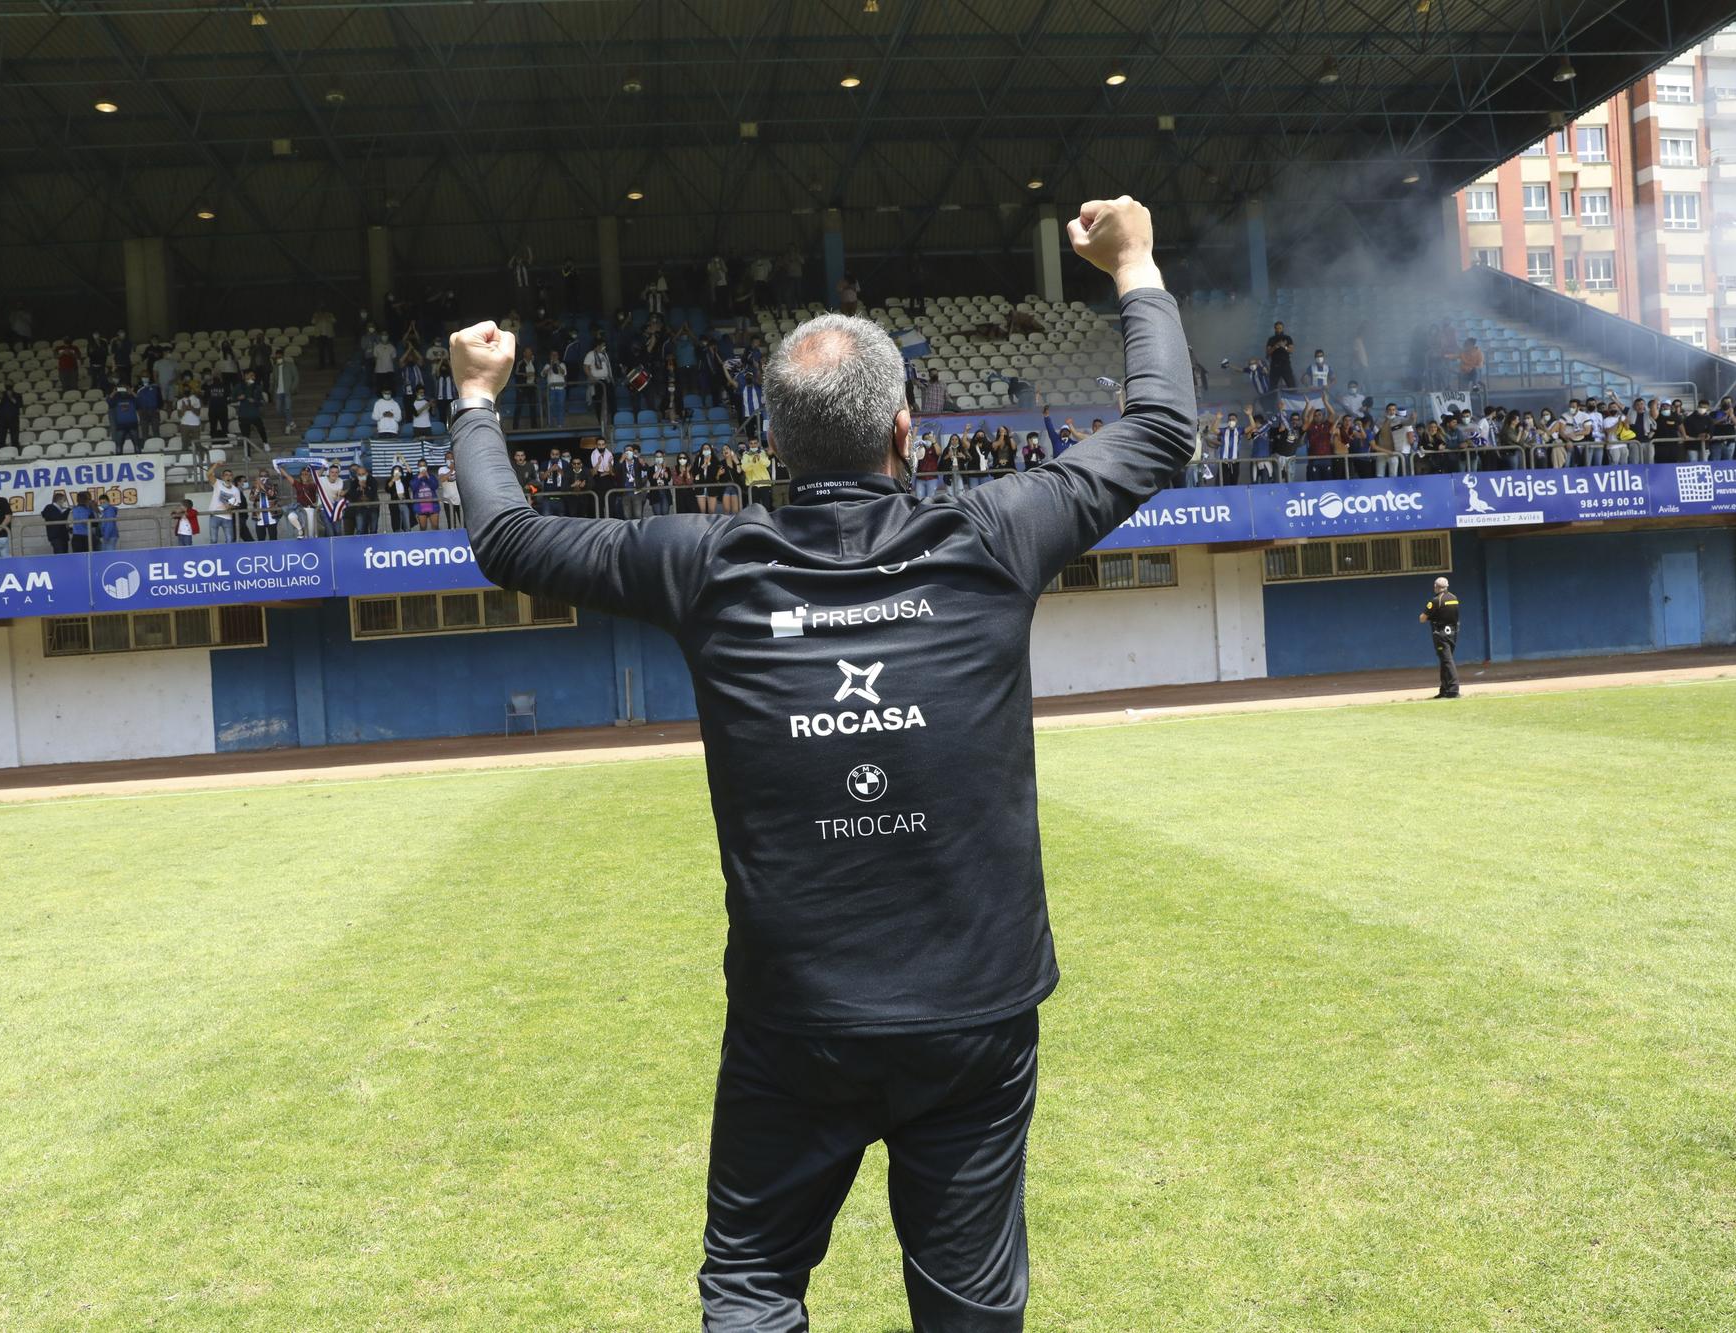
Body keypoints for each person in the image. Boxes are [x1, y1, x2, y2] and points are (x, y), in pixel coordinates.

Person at [445, 193, 1194, 1331]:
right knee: (968, 1309)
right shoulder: (989, 535)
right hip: (971, 1018)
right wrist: (1132, 267)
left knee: (751, 1290)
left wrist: (473, 399)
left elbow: (506, 539)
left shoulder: (705, 561)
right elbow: (1157, 430)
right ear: (907, 433)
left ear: (771, 451)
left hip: (796, 1019)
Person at [1420, 576, 1461, 699]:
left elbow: (1422, 618)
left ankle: (1453, 690)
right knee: (1445, 661)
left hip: (1441, 634)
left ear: (1436, 587)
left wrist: (1432, 617)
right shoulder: (1454, 598)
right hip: (1453, 633)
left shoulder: (1435, 600)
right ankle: (1444, 690)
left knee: (1447, 661)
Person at [41, 489, 72, 555]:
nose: (65, 502)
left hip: (63, 536)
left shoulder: (60, 509)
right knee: (60, 555)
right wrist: (67, 510)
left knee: (65, 555)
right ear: (59, 500)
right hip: (56, 537)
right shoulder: (50, 507)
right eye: (64, 500)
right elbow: (59, 519)